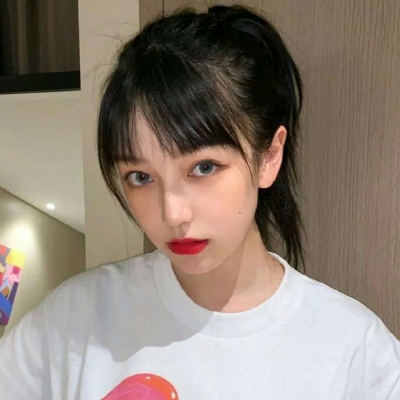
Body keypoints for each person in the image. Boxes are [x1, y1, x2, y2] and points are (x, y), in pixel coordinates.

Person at [0, 5, 399, 400]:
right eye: (141, 177)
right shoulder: (73, 320)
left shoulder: (357, 353)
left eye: (204, 168)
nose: (173, 214)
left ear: (268, 156)